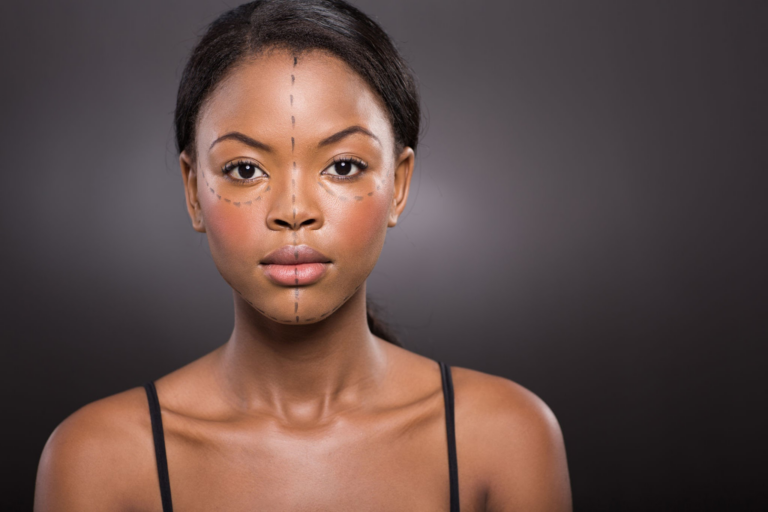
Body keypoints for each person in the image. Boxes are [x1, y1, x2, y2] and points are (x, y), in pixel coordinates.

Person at [33, 1, 572, 510]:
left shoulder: (506, 438)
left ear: (399, 185)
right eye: (245, 169)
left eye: (342, 166)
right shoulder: (98, 458)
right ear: (193, 189)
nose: (294, 210)